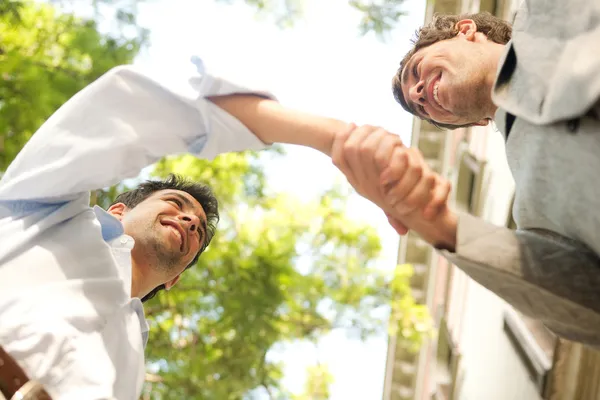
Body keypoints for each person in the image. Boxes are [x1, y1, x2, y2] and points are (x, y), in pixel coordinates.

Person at [0, 57, 446, 398]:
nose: (191, 221)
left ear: (175, 278)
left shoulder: (130, 358)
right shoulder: (45, 211)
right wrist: (333, 139)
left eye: (197, 233)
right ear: (117, 212)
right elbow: (120, 116)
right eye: (176, 205)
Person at [333, 7, 600, 347]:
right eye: (420, 109)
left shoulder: (548, 12)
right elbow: (589, 307)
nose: (418, 94)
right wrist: (436, 224)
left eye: (417, 70)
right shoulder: (532, 215)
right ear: (471, 123)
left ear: (466, 29)